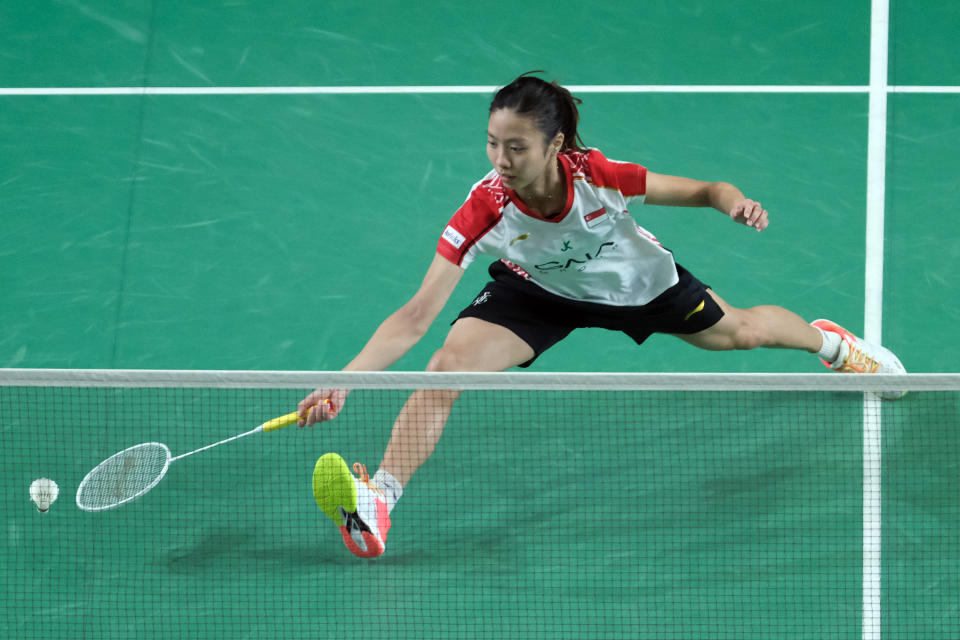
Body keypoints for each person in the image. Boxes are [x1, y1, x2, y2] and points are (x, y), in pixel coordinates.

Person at [297, 72, 905, 559]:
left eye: (517, 147)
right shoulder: (484, 208)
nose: (501, 159)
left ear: (555, 146)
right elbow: (414, 316)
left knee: (744, 331)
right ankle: (379, 499)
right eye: (492, 144)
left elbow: (705, 188)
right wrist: (346, 379)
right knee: (446, 367)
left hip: (638, 287)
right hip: (537, 293)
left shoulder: (598, 177)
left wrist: (734, 202)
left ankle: (832, 345)